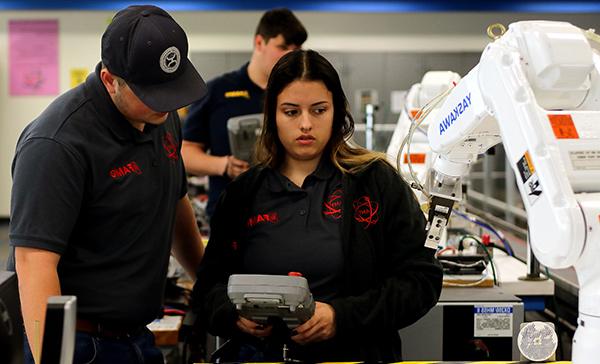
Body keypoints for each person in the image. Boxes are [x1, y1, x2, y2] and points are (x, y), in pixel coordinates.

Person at [192, 49, 443, 362]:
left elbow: (421, 282)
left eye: (319, 110)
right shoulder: (243, 194)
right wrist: (233, 315)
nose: (306, 124)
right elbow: (207, 290)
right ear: (271, 115)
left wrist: (341, 316)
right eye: (291, 112)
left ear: (337, 111)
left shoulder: (376, 182)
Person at [8, 5, 206, 364]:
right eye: (151, 95)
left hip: (139, 335)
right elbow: (34, 263)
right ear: (110, 80)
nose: (165, 107)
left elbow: (175, 206)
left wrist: (209, 286)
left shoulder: (161, 118)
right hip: (82, 345)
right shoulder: (57, 144)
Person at [181, 8, 307, 218]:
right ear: (259, 43)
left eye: (297, 49)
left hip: (288, 214)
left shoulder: (301, 94)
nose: (291, 56)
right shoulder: (217, 91)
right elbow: (185, 152)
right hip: (231, 215)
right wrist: (224, 165)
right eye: (283, 47)